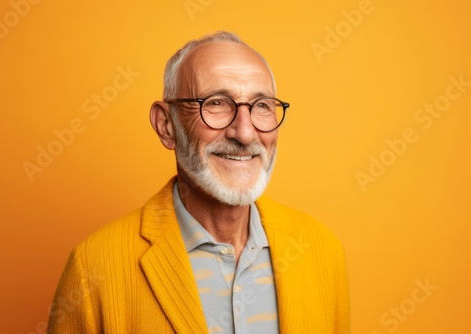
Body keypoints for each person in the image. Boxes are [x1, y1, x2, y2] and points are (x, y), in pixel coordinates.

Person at [47, 31, 350, 334]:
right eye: (216, 103)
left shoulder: (323, 250)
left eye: (261, 105)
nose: (244, 133)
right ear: (167, 125)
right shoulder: (93, 267)